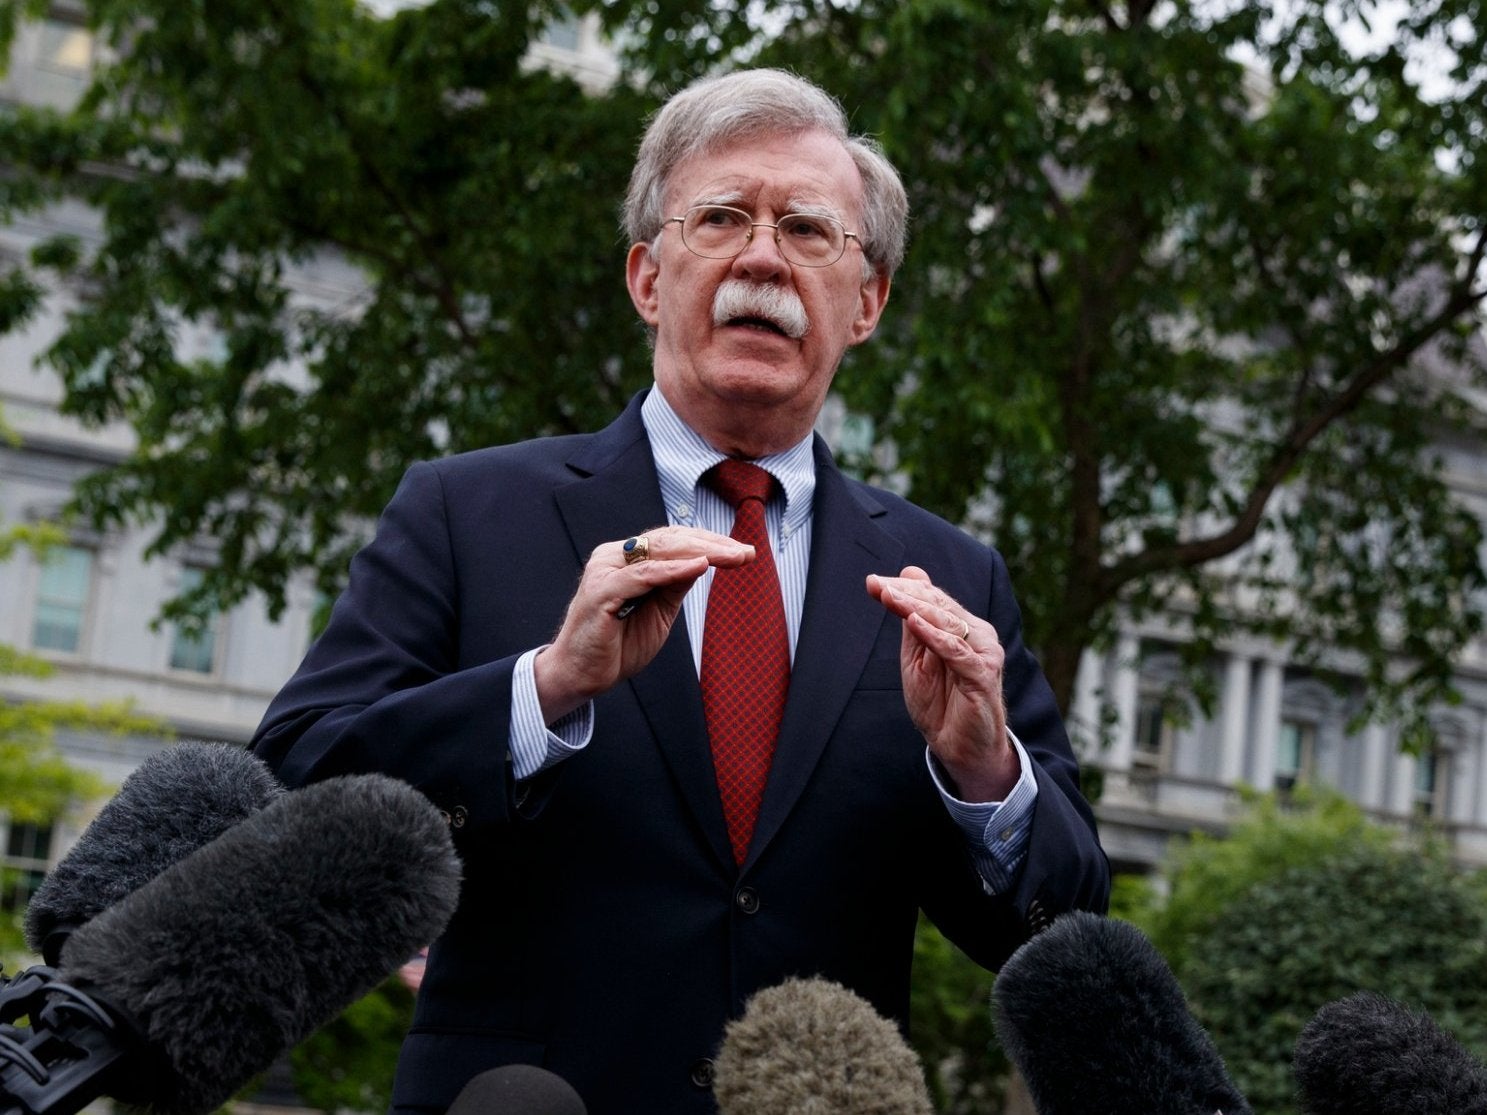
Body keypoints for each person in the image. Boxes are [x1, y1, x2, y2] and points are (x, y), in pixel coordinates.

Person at [251, 67, 1109, 1115]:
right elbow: (292, 793)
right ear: (648, 278)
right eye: (720, 218)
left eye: (805, 229)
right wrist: (546, 688)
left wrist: (982, 770)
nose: (761, 256)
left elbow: (1059, 925)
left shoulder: (952, 577)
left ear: (868, 300)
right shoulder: (465, 512)